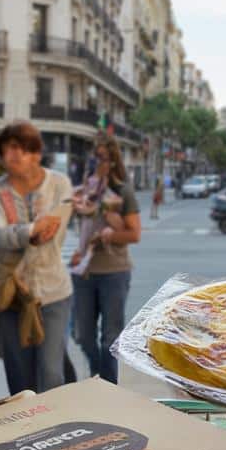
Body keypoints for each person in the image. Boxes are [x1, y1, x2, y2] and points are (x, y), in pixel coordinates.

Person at [0, 121, 73, 395]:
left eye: (21, 148)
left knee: (50, 374)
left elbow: (51, 232)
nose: (14, 155)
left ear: (36, 153)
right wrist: (31, 230)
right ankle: (27, 434)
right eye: (7, 149)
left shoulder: (59, 184)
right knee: (20, 381)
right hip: (13, 297)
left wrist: (21, 233)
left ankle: (58, 431)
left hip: (53, 293)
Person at [70, 135, 141, 384]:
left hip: (114, 272)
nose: (95, 162)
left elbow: (134, 234)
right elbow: (82, 226)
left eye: (101, 157)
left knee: (110, 338)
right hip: (84, 271)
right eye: (92, 157)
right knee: (82, 335)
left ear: (112, 161)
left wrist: (110, 232)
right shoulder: (85, 189)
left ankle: (106, 387)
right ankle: (97, 374)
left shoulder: (122, 190)